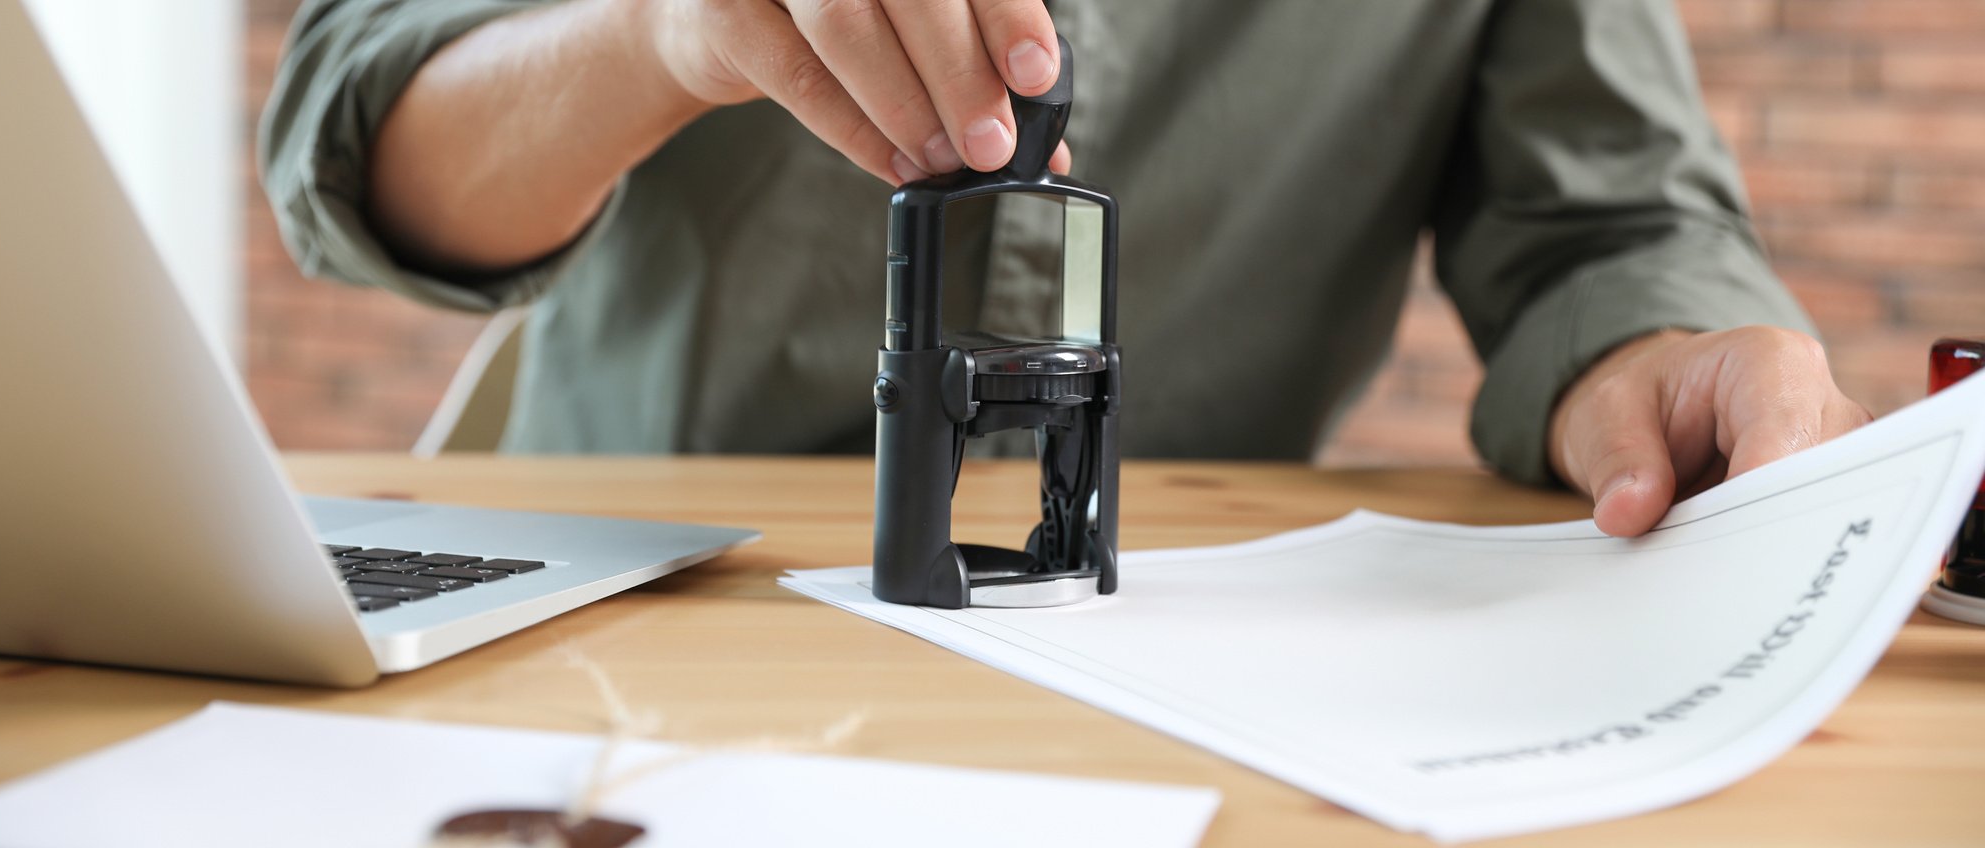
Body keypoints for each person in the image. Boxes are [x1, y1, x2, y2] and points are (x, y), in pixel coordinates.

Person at [260, 0, 1871, 538]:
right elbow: (349, 138)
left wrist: (1657, 350)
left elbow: (1609, 226)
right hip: (649, 602)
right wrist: (658, 32)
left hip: (1189, 639)